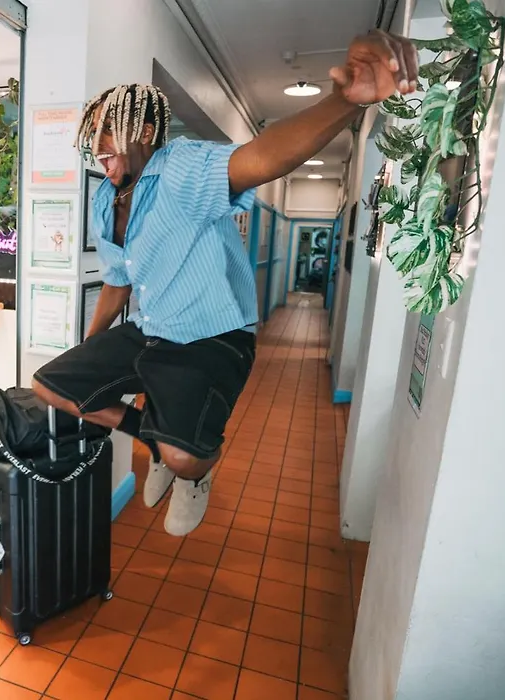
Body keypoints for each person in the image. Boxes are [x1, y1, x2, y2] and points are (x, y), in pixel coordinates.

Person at [32, 30, 419, 536]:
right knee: (53, 386)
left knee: (184, 457)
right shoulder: (107, 199)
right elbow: (117, 279)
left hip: (210, 336)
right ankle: (156, 441)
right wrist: (91, 349)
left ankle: (193, 471)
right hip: (150, 328)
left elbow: (261, 158)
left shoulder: (182, 167)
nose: (97, 144)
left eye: (109, 130)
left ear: (144, 131)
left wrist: (343, 101)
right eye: (93, 134)